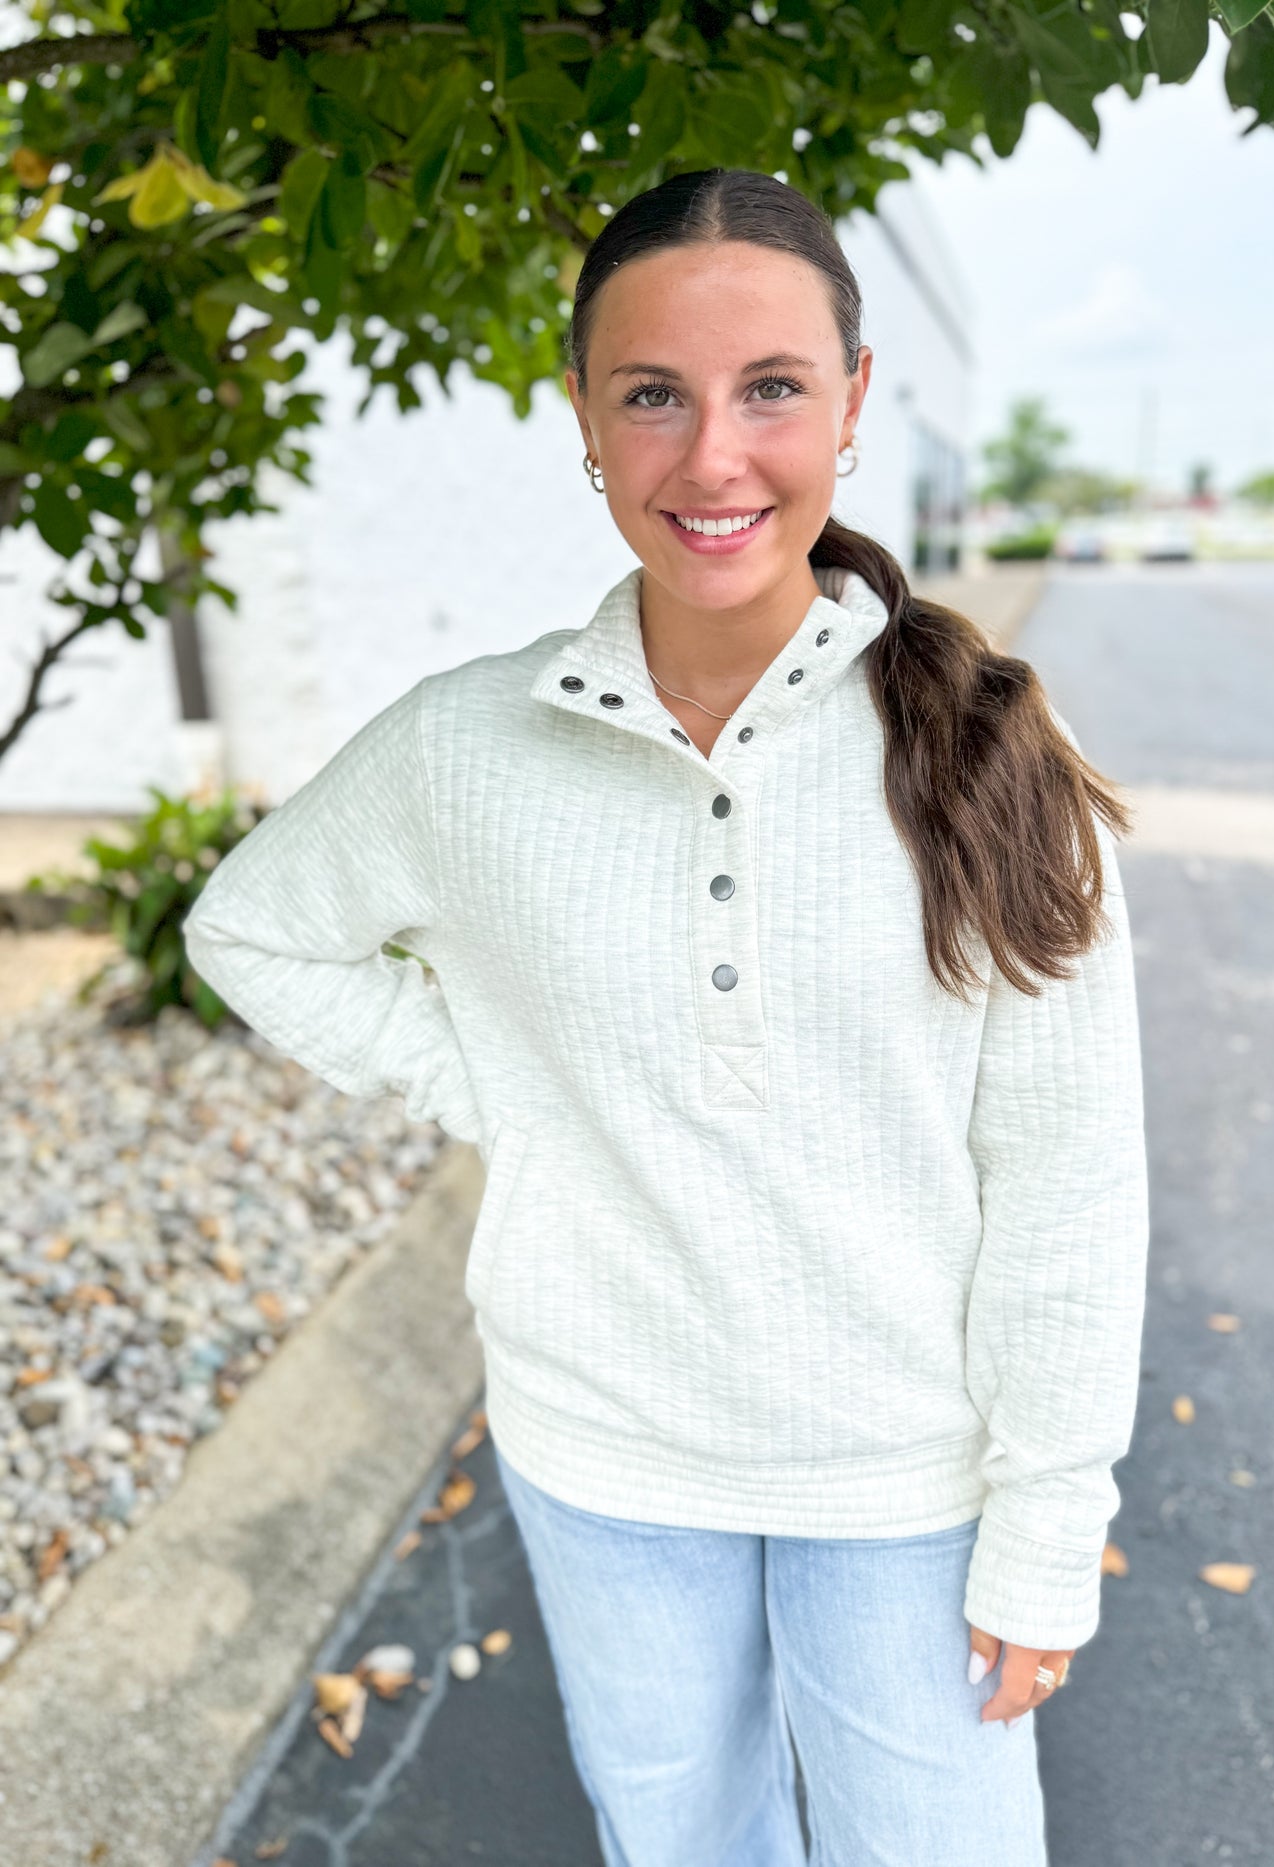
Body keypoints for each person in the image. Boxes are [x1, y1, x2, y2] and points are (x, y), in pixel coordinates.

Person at [183, 166, 1150, 1866]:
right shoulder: (462, 749)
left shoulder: (994, 763)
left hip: (904, 1485)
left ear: (854, 404)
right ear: (583, 420)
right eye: (653, 396)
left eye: (772, 388)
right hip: (605, 1457)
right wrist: (498, 1078)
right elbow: (253, 930)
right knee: (683, 1844)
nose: (713, 458)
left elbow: (1069, 1189)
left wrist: (1049, 1524)